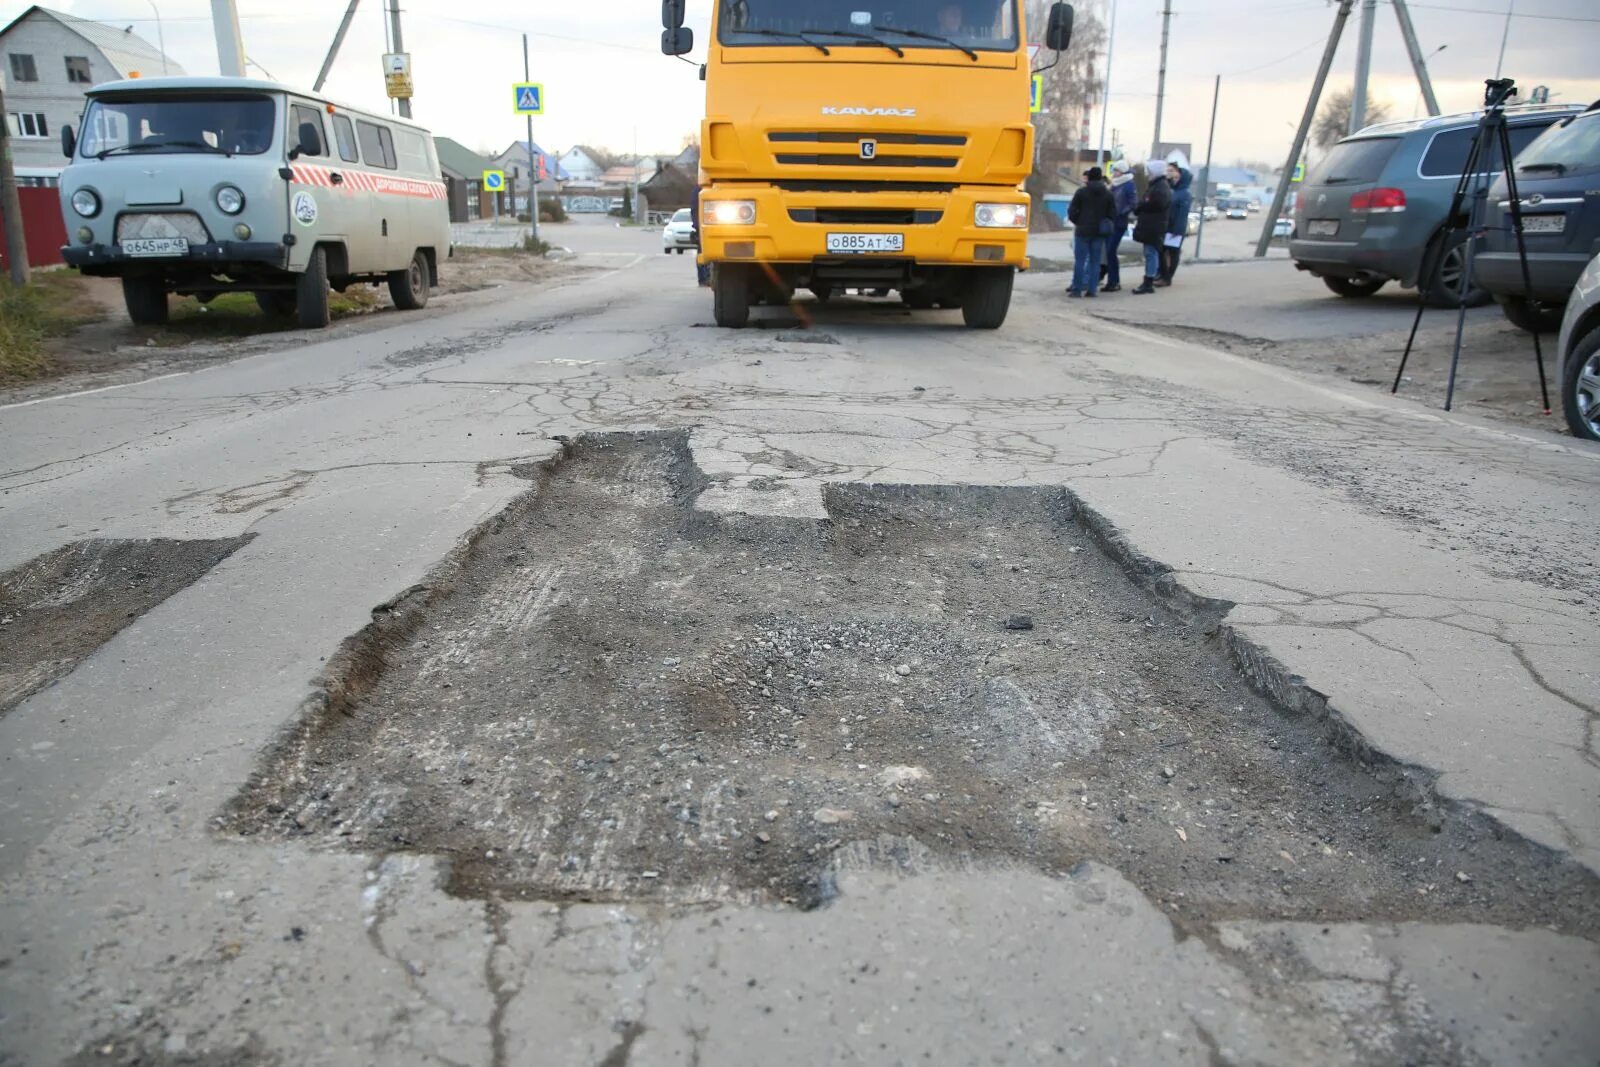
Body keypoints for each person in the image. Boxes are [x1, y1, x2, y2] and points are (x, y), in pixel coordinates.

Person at [1065, 166, 1116, 298]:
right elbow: (1112, 213)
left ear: (1089, 177)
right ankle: (1092, 290)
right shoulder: (1108, 194)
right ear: (1100, 178)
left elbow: (1071, 211)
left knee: (1080, 261)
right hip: (1099, 232)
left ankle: (1076, 289)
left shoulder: (1081, 192)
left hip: (1082, 230)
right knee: (1095, 261)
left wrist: (1078, 221)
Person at [1130, 159, 1172, 295]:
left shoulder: (1161, 187)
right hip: (1150, 226)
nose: (1148, 174)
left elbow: (1157, 204)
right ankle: (1149, 279)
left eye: (1150, 172)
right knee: (1150, 253)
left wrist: (1142, 205)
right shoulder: (1155, 186)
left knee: (1151, 253)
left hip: (1153, 226)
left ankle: (1148, 281)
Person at [1103, 162, 1137, 293]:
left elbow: (1133, 203)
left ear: (1122, 171)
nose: (1114, 172)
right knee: (1109, 252)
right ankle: (1111, 280)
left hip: (1119, 222)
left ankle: (1114, 281)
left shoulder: (1128, 185)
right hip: (1111, 221)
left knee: (1111, 251)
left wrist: (1120, 212)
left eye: (1116, 170)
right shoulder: (1115, 184)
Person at [1158, 160, 1193, 287]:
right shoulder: (1175, 191)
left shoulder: (1185, 194)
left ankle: (1167, 278)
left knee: (1172, 253)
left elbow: (1181, 216)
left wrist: (1176, 231)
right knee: (1163, 252)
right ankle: (1164, 276)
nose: (1175, 179)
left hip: (1175, 230)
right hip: (1168, 227)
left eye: (1177, 177)